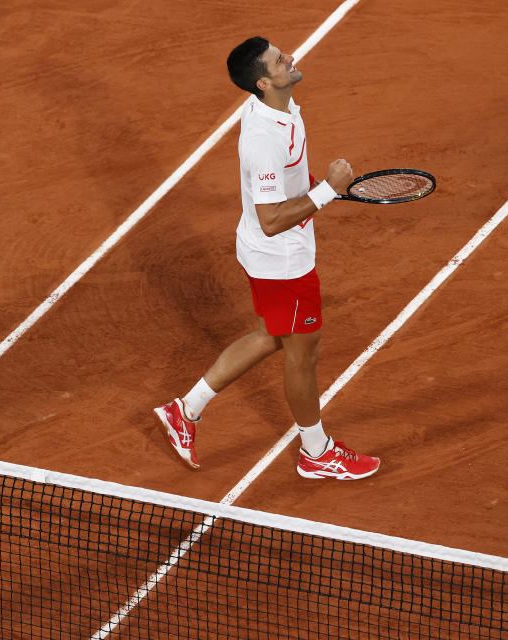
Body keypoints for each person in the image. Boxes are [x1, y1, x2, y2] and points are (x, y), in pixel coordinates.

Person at [153, 36, 380, 480]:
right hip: (282, 262)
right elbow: (273, 218)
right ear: (263, 81)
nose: (290, 58)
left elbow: (287, 185)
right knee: (303, 353)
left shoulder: (281, 109)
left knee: (272, 336)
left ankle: (186, 410)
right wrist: (327, 191)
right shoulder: (263, 139)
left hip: (271, 254)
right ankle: (317, 452)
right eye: (280, 60)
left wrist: (319, 188)